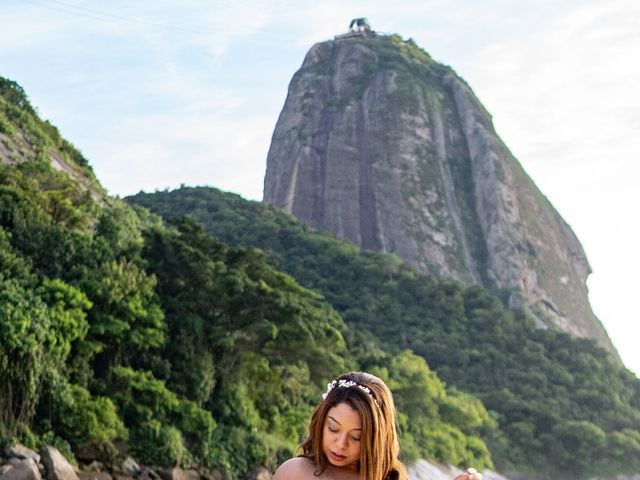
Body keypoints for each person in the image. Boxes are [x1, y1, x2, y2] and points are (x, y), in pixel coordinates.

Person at [273, 371, 483, 480]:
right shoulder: (295, 472)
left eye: (356, 437)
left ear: (376, 438)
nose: (340, 444)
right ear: (320, 423)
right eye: (333, 429)